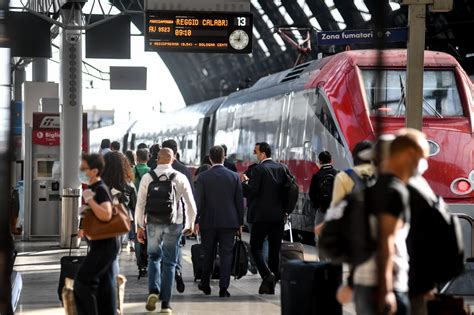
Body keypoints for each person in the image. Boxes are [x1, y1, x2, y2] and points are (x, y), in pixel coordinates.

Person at [353, 129, 429, 315]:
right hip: (388, 285)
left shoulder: (371, 190)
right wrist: (386, 291)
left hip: (368, 282)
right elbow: (386, 242)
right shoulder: (393, 191)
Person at [135, 148, 197, 313]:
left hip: (153, 223)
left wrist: (139, 226)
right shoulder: (180, 177)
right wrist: (190, 224)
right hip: (174, 224)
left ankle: (153, 291)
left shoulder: (148, 177)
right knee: (170, 262)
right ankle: (165, 304)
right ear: (173, 158)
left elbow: (140, 204)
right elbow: (191, 204)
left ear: (156, 159)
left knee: (153, 258)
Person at [195, 146, 244, 297]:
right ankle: (224, 288)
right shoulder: (234, 176)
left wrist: (195, 220)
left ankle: (205, 284)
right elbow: (239, 202)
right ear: (224, 158)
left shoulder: (203, 177)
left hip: (208, 222)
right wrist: (240, 222)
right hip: (229, 223)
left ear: (210, 158)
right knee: (226, 255)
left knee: (208, 254)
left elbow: (199, 202)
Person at [75, 153, 120, 315]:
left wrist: (91, 202)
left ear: (94, 171)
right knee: (104, 286)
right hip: (102, 243)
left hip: (105, 245)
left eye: (83, 168)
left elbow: (106, 214)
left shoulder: (100, 189)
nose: (81, 171)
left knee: (82, 282)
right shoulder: (94, 188)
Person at [241, 142, 288, 295]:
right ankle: (271, 285)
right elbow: (289, 190)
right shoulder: (282, 168)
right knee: (275, 250)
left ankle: (267, 275)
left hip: (261, 216)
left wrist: (245, 183)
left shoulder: (259, 169)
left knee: (255, 247)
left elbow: (251, 193)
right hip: (278, 216)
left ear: (262, 154)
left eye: (256, 152)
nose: (255, 154)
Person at [162, 139, 194, 293]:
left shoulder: (155, 169)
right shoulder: (184, 171)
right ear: (176, 151)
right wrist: (192, 222)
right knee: (176, 245)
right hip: (178, 217)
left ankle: (164, 274)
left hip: (158, 216)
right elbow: (190, 199)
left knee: (160, 247)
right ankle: (178, 270)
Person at [308, 151, 338, 255]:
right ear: (331, 161)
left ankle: (322, 261)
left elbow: (311, 194)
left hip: (321, 210)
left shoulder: (317, 175)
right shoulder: (337, 174)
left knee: (319, 236)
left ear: (320, 161)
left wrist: (318, 205)